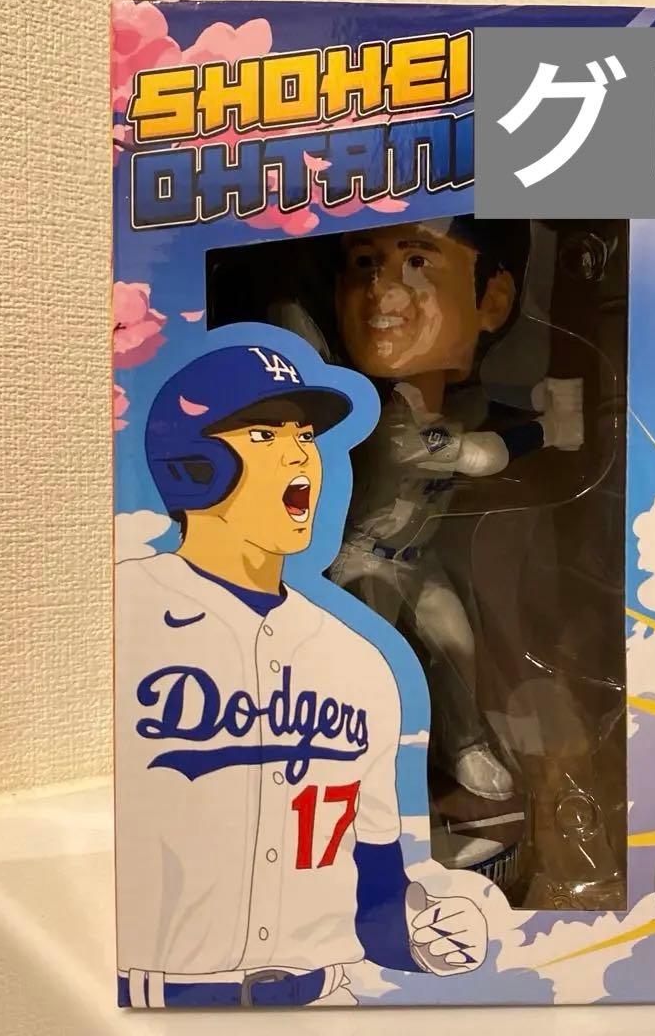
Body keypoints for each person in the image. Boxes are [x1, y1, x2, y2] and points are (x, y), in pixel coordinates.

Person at [115, 340, 487, 1009]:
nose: (300, 456)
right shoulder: (124, 609)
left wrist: (423, 939)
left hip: (326, 1001)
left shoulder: (359, 663)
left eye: (305, 437)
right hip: (158, 1006)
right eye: (264, 436)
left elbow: (376, 887)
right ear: (194, 464)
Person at [330, 217, 584, 802]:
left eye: (418, 263)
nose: (383, 290)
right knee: (367, 666)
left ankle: (464, 744)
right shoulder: (389, 425)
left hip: (418, 561)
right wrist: (550, 429)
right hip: (360, 563)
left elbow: (483, 415)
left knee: (457, 646)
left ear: (492, 301)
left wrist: (543, 405)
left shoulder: (456, 406)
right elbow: (482, 455)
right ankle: (362, 762)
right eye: (364, 264)